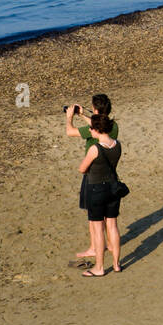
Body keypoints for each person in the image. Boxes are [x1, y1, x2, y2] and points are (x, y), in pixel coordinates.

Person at [66, 93, 119, 260]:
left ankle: (94, 248)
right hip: (110, 177)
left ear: (95, 110)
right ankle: (110, 245)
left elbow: (70, 132)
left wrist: (69, 117)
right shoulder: (113, 126)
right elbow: (98, 125)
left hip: (93, 176)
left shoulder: (93, 133)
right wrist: (82, 114)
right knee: (109, 219)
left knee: (93, 217)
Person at [78, 111, 124, 276]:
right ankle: (116, 263)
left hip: (96, 189)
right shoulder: (117, 144)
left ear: (97, 129)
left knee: (98, 229)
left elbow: (82, 169)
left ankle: (99, 267)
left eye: (91, 128)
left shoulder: (94, 148)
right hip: (113, 188)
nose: (89, 130)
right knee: (112, 226)